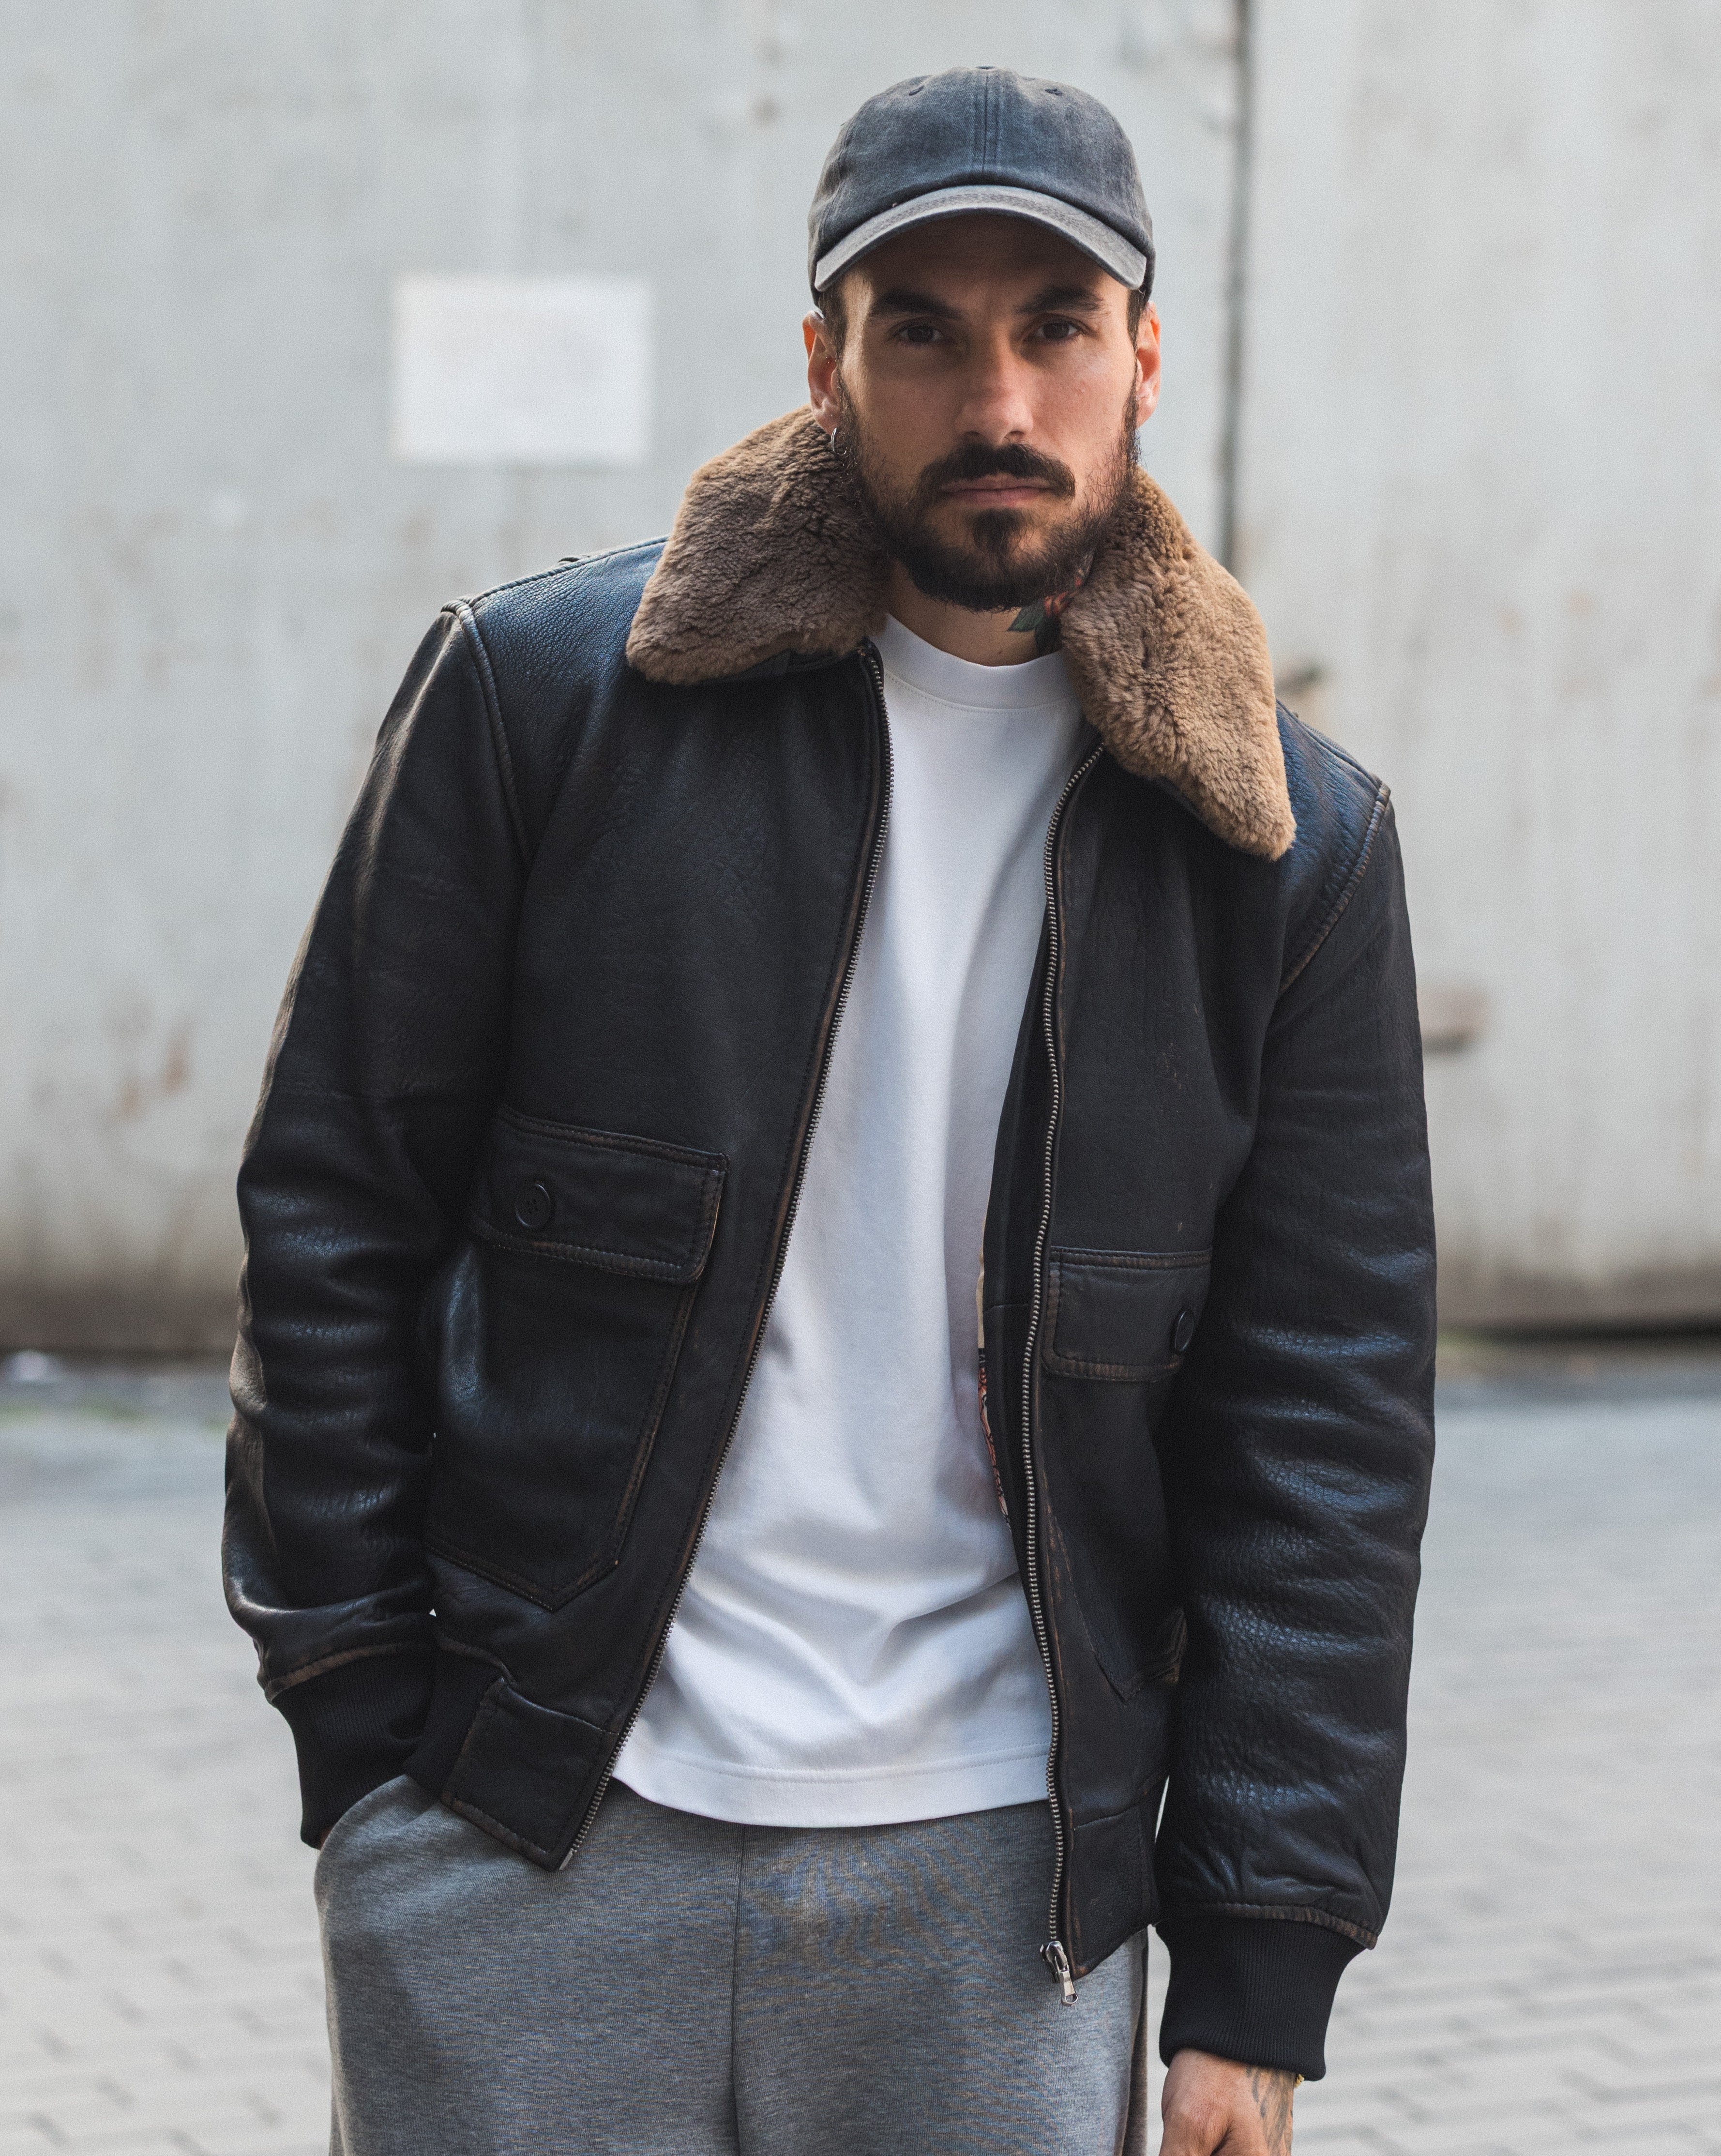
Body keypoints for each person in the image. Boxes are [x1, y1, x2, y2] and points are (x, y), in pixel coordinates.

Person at [224, 65, 1435, 2156]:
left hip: (995, 1884)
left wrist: (1257, 1977)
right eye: (925, 328)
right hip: (534, 1822)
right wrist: (360, 1721)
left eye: (1056, 324)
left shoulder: (1282, 847)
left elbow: (1318, 1425)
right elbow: (340, 1202)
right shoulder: (542, 701)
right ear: (822, 362)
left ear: (1145, 358)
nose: (1000, 396)